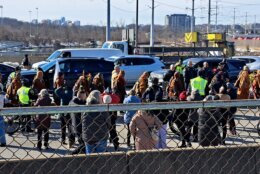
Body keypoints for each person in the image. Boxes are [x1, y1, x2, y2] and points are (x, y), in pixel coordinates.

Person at [55, 82, 73, 147]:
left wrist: (61, 87)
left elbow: (56, 91)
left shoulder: (63, 94)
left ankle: (63, 140)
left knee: (63, 126)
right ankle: (70, 140)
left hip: (62, 111)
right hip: (69, 112)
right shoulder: (71, 93)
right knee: (70, 127)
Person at [69, 90, 87, 154]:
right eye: (85, 96)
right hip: (80, 127)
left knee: (82, 144)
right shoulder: (81, 104)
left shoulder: (71, 102)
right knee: (83, 144)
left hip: (74, 125)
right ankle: (73, 154)